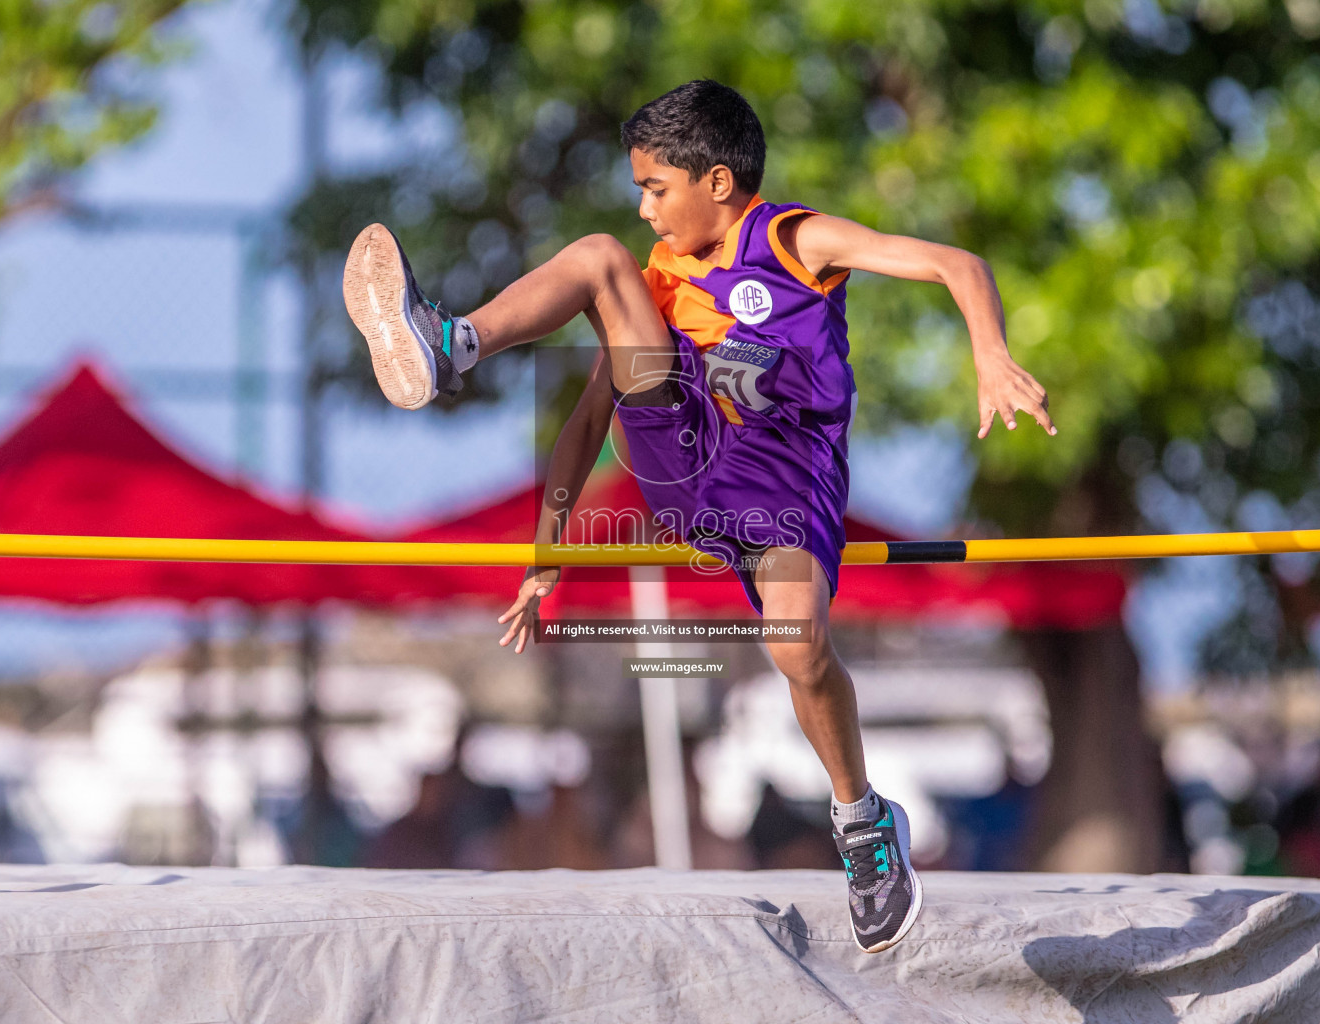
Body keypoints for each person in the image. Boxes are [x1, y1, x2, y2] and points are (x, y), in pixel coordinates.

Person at [342, 79, 1055, 953]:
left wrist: (990, 354)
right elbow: (584, 426)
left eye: (656, 188)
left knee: (797, 646)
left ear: (717, 182)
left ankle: (864, 825)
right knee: (599, 257)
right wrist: (548, 551)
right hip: (683, 467)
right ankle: (451, 346)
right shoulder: (656, 284)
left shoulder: (795, 239)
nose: (646, 209)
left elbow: (957, 263)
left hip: (785, 488)